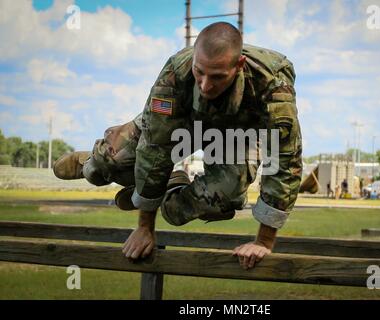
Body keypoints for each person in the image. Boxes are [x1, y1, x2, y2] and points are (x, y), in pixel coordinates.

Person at [52, 22, 302, 270]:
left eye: (217, 77)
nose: (205, 85)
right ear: (193, 58)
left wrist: (264, 242)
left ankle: (171, 187)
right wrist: (144, 227)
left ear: (239, 67)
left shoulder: (273, 84)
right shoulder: (175, 72)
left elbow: (283, 161)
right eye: (199, 72)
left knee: (220, 202)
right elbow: (155, 148)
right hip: (182, 121)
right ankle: (89, 163)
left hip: (237, 135)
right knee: (105, 166)